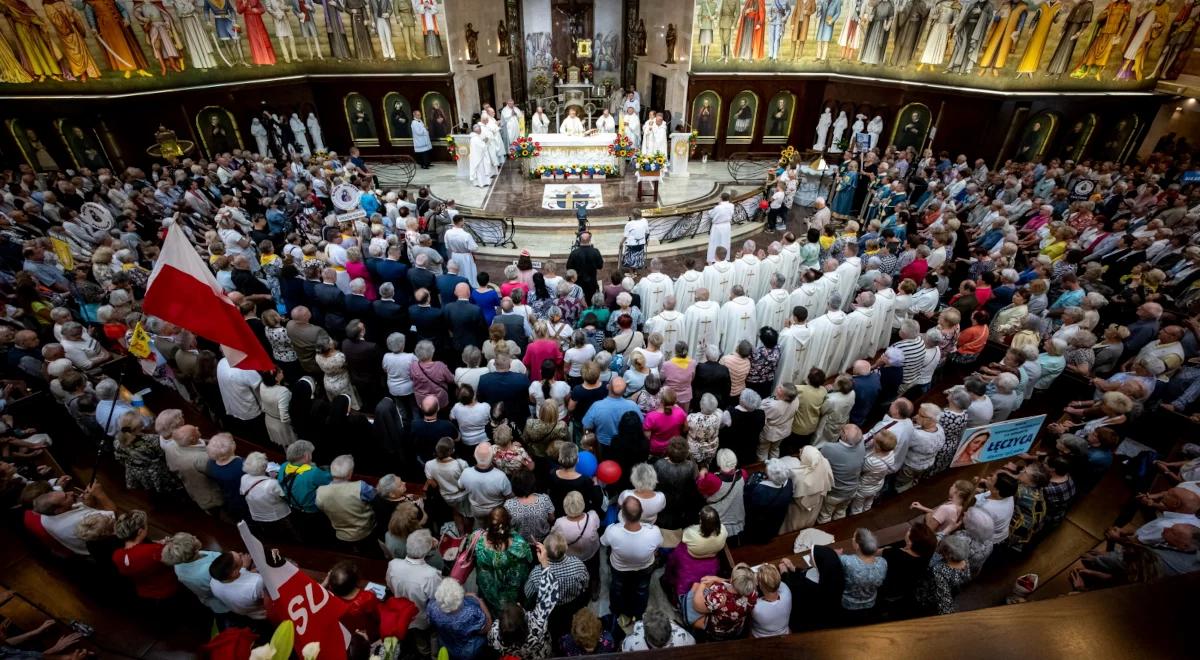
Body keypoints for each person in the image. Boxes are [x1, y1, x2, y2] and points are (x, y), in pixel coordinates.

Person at [601, 496, 662, 626]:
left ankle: (617, 612)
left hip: (619, 568)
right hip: (645, 567)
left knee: (617, 588)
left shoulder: (612, 531)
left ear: (622, 514)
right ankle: (638, 614)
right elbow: (658, 546)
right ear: (641, 513)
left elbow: (603, 542)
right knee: (642, 589)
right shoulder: (654, 532)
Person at [112, 510, 179, 600]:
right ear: (140, 532)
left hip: (144, 592)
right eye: (146, 525)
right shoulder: (153, 550)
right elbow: (176, 560)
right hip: (167, 589)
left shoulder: (117, 555)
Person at [681, 562, 758, 640]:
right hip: (736, 627)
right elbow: (733, 584)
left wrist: (702, 585)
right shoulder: (753, 593)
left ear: (732, 580)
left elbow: (697, 606)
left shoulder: (719, 598)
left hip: (717, 630)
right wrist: (717, 579)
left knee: (694, 588)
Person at [427, 577, 491, 659]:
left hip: (446, 643)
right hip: (467, 651)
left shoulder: (432, 607)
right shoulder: (471, 612)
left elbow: (431, 623)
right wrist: (480, 601)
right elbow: (487, 628)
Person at [839, 528, 888, 622]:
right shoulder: (883, 563)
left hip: (848, 604)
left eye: (853, 537)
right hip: (870, 602)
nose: (852, 539)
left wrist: (836, 554)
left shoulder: (846, 561)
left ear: (857, 545)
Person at [621, 608, 696, 651]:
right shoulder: (682, 634)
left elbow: (624, 647)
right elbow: (692, 641)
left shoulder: (632, 643)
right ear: (670, 628)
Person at [750, 562, 792, 638]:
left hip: (761, 636)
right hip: (785, 631)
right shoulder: (786, 591)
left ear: (760, 586)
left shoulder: (756, 607)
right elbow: (777, 582)